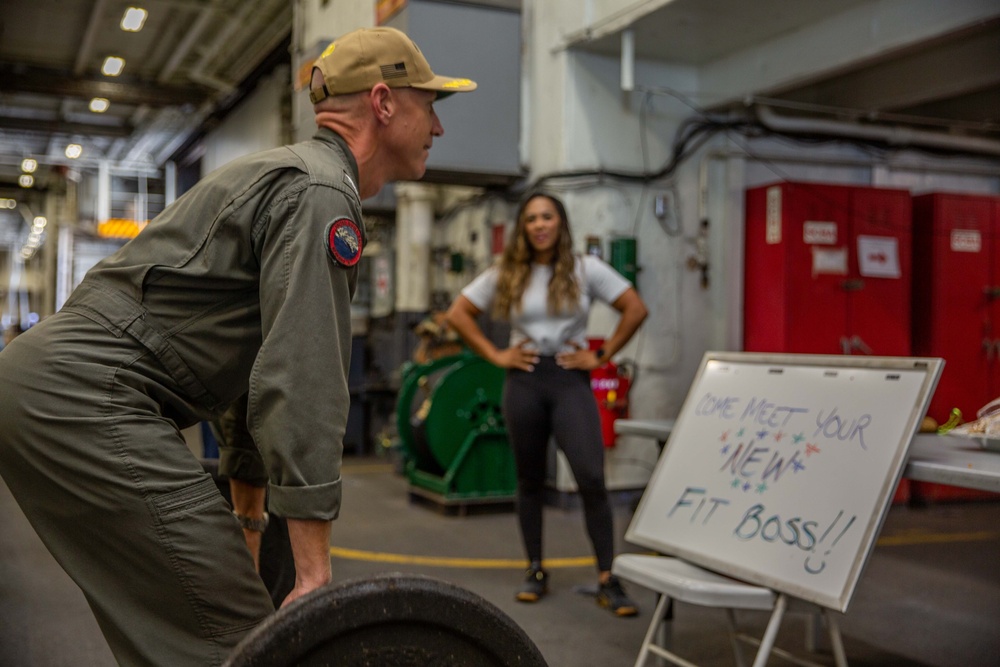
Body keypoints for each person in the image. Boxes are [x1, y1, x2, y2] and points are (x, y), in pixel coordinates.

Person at [0, 26, 475, 666]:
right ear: (385, 103)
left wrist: (250, 520)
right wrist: (314, 575)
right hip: (89, 402)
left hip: (61, 394)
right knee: (241, 645)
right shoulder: (320, 192)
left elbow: (255, 368)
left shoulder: (297, 178)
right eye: (431, 105)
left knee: (191, 626)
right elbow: (301, 376)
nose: (438, 129)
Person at [446, 192, 648, 616]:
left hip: (569, 379)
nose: (539, 225)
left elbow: (634, 308)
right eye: (532, 218)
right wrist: (497, 355)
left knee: (591, 476)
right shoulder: (508, 271)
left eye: (547, 217)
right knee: (530, 480)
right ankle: (535, 569)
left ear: (560, 223)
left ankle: (608, 579)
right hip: (524, 381)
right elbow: (459, 314)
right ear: (523, 227)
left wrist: (602, 354)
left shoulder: (584, 268)